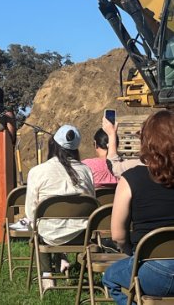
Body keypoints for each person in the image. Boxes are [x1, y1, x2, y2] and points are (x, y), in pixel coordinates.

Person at [102, 110, 174, 304]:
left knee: (110, 278)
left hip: (152, 271)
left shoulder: (131, 179)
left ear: (146, 142)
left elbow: (118, 235)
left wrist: (132, 252)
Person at [22, 125, 94, 288]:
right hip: (81, 235)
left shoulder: (37, 171)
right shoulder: (86, 171)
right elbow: (92, 204)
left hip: (50, 234)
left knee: (39, 225)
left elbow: (31, 212)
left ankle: (47, 275)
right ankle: (61, 258)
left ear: (53, 145)